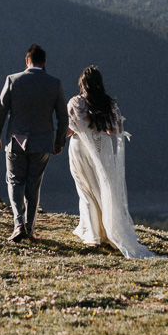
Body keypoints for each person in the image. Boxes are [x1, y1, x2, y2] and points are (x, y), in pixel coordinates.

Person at [66, 65, 155, 259]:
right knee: (103, 187)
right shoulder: (110, 105)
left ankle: (93, 234)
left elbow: (69, 131)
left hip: (80, 147)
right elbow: (114, 131)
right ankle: (107, 231)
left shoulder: (75, 102)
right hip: (102, 148)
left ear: (82, 84)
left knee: (86, 190)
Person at [0, 43, 68, 243]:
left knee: (15, 181)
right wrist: (59, 141)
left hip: (16, 141)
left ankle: (18, 224)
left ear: (27, 61)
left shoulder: (12, 80)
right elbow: (62, 116)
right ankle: (30, 228)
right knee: (34, 184)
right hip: (42, 142)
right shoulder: (54, 83)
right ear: (44, 63)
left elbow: (1, 110)